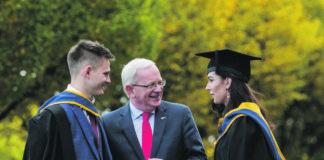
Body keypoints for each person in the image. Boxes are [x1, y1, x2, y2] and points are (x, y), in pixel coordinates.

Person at [23, 40, 115, 160]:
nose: (109, 80)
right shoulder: (53, 116)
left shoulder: (94, 116)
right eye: (105, 74)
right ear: (88, 72)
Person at [101, 58, 207, 160]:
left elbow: (200, 157)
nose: (158, 89)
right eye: (151, 85)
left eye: (160, 83)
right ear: (130, 90)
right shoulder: (108, 123)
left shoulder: (180, 115)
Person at [195, 49, 285, 160]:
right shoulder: (238, 122)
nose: (207, 87)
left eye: (211, 80)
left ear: (227, 82)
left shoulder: (244, 123)